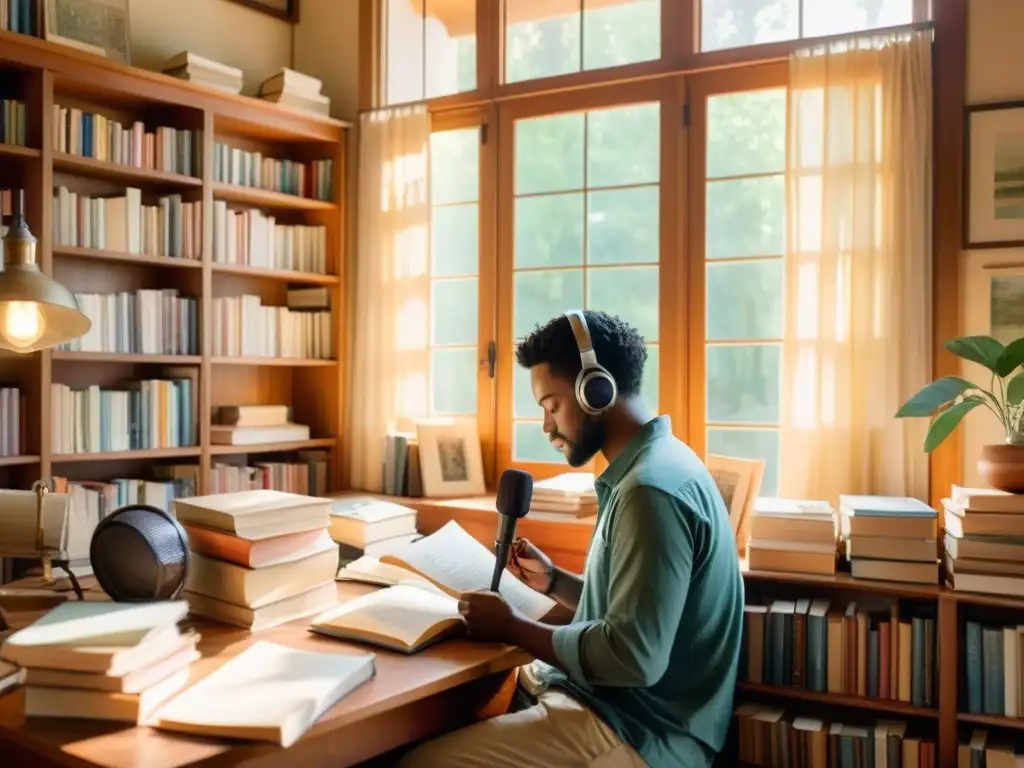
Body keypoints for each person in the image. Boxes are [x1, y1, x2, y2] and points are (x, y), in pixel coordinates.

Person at [398, 310, 744, 768]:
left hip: (640, 737)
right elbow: (639, 613)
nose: (546, 426)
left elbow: (635, 657)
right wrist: (556, 581)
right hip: (620, 714)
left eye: (550, 405)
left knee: (420, 763)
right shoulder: (659, 464)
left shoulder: (649, 492)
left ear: (594, 390)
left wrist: (511, 627)